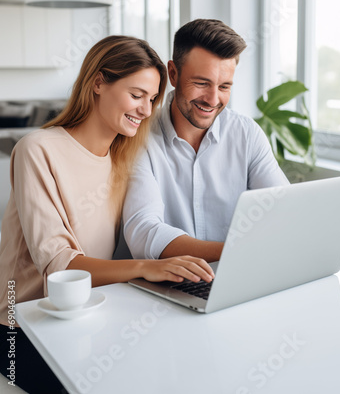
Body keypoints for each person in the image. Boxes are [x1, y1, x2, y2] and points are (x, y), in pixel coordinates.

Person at [0, 35, 214, 394]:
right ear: (98, 83)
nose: (146, 110)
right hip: (19, 325)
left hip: (89, 316)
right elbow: (59, 266)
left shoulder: (125, 159)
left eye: (152, 99)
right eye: (136, 95)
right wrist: (147, 267)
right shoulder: (37, 150)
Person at [123, 19, 340, 261]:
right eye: (202, 83)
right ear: (173, 73)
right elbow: (144, 233)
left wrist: (324, 234)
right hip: (170, 284)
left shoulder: (246, 133)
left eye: (224, 86)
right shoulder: (139, 136)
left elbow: (283, 207)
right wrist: (241, 253)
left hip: (243, 276)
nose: (213, 99)